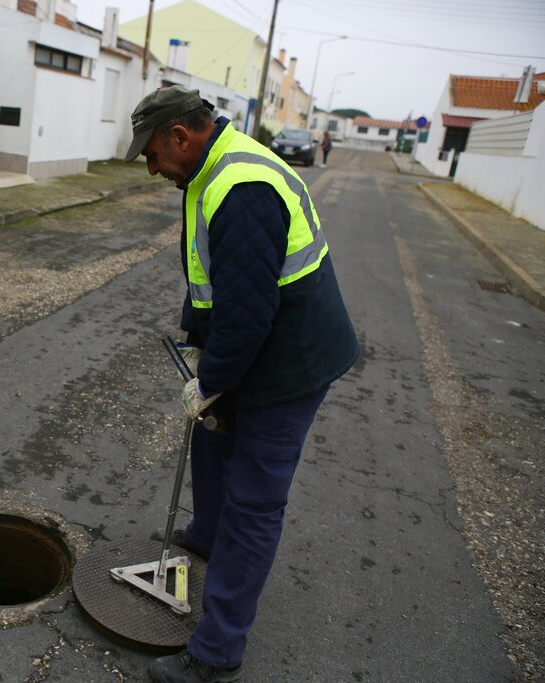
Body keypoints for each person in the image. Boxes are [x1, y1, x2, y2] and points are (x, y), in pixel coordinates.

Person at [125, 85, 358, 682]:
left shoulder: (244, 186)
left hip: (291, 362)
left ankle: (216, 653)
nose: (151, 168)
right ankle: (206, 536)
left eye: (151, 154)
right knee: (211, 439)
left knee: (254, 501)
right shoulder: (206, 169)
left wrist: (212, 380)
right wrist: (198, 341)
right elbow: (212, 273)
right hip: (258, 339)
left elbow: (248, 314)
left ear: (180, 135)